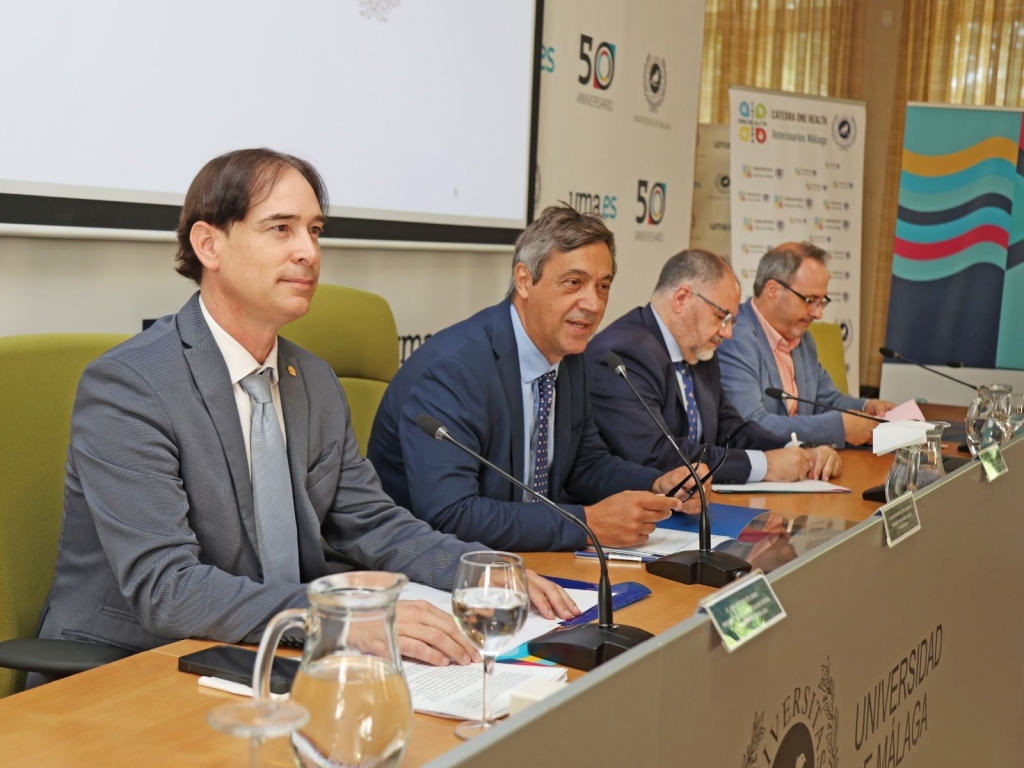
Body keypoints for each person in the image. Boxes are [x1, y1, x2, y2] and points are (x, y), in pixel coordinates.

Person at [33, 149, 576, 678]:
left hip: (272, 656)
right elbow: (165, 588)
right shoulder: (131, 386)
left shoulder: (313, 379)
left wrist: (480, 572)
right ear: (209, 244)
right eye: (280, 228)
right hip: (133, 668)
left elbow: (374, 524)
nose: (308, 252)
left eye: (314, 231)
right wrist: (341, 619)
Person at [368, 205, 703, 553]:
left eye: (602, 286)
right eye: (573, 282)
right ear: (525, 280)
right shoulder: (454, 371)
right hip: (429, 567)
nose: (592, 303)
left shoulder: (569, 357)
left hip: (527, 558)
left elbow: (583, 466)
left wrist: (657, 484)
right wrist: (586, 525)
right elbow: (450, 513)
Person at [585, 248, 842, 485]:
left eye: (732, 321)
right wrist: (764, 465)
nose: (728, 332)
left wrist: (796, 450)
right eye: (721, 317)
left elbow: (731, 428)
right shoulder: (624, 353)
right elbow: (656, 454)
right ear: (682, 299)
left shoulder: (699, 349)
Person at [717, 242, 895, 447]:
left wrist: (866, 407)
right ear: (773, 290)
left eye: (821, 301)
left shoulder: (803, 339)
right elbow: (750, 424)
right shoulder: (735, 338)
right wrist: (839, 428)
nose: (818, 314)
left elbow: (825, 400)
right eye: (809, 300)